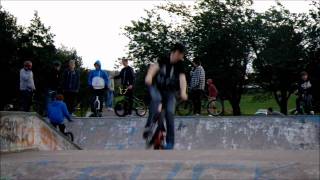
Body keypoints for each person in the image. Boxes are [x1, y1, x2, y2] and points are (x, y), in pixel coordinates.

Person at [143, 43, 188, 150]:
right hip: (157, 88)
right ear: (177, 53)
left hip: (171, 92)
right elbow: (153, 68)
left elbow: (182, 79)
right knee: (157, 99)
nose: (182, 57)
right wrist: (149, 76)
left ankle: (170, 142)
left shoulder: (180, 65)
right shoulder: (163, 59)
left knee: (169, 113)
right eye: (182, 55)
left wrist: (183, 92)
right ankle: (149, 126)